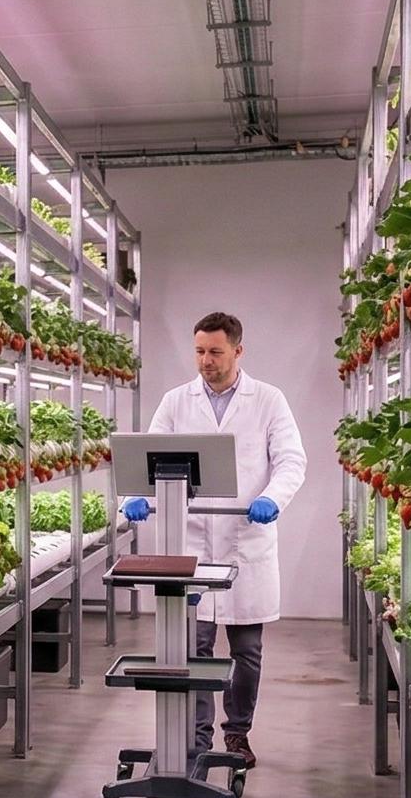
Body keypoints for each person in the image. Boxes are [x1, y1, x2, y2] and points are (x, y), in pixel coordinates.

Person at [121, 310, 307, 767]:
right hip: (192, 545)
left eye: (216, 352)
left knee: (247, 651)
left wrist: (272, 498)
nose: (206, 360)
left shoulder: (268, 399)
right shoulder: (176, 401)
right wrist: (133, 495)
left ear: (238, 351)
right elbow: (148, 456)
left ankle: (237, 733)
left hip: (247, 537)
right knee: (193, 650)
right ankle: (196, 739)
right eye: (200, 351)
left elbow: (291, 460)